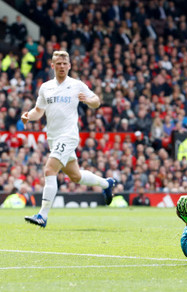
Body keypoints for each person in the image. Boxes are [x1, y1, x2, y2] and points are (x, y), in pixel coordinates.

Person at [21, 50, 116, 228]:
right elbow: (38, 111)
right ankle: (106, 183)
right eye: (58, 64)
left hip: (69, 136)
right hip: (53, 138)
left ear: (70, 66)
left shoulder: (76, 85)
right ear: (53, 66)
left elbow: (96, 101)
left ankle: (42, 215)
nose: (62, 66)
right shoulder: (46, 87)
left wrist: (88, 100)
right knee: (75, 176)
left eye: (65, 64)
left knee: (50, 170)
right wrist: (28, 116)